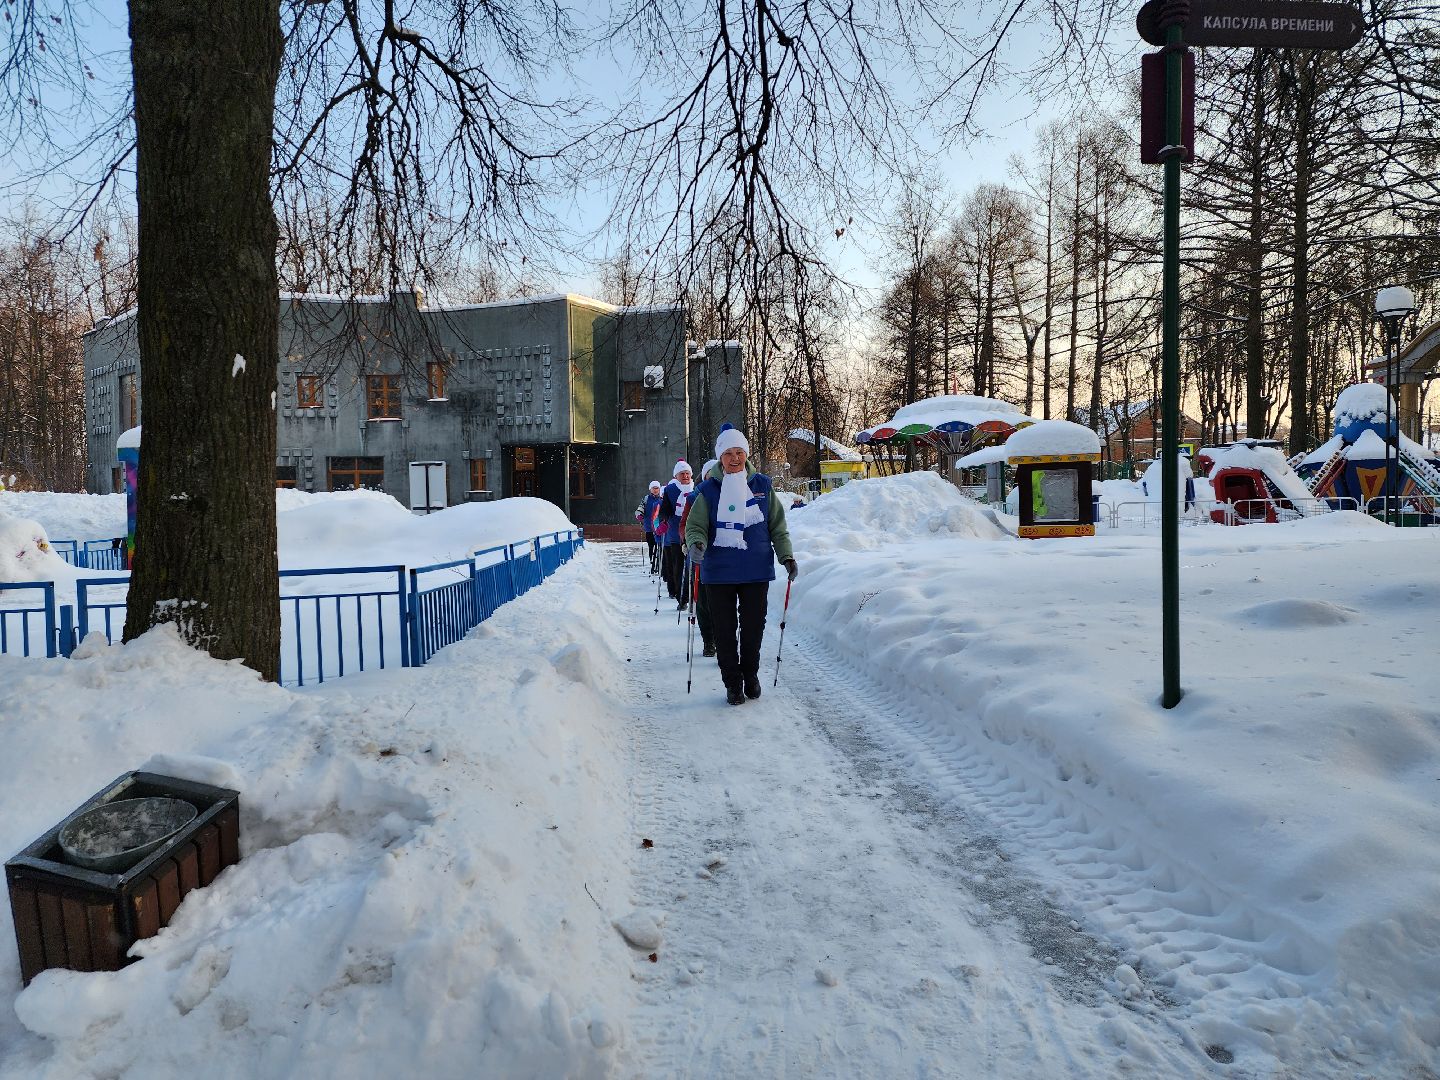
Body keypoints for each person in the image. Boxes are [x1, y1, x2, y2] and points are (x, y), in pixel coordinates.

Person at [685, 425, 797, 706]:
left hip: (755, 570)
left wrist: (787, 556)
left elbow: (777, 526)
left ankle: (750, 674)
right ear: (720, 458)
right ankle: (732, 683)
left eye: (739, 452)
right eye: (728, 453)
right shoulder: (707, 490)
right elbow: (695, 526)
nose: (734, 458)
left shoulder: (762, 487)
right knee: (724, 631)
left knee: (753, 628)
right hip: (718, 572)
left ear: (746, 454)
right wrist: (697, 543)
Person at [656, 460, 696, 605]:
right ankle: (682, 598)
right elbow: (665, 509)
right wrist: (663, 521)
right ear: (676, 476)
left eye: (687, 473)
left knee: (693, 567)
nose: (685, 476)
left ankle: (694, 596)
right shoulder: (670, 490)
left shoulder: (697, 488)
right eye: (682, 474)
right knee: (678, 568)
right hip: (675, 534)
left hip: (694, 532)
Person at [636, 480, 663, 573]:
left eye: (657, 488)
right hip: (649, 527)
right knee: (651, 546)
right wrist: (639, 514)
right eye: (653, 488)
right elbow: (640, 508)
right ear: (650, 489)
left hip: (659, 527)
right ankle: (652, 563)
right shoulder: (646, 499)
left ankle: (659, 564)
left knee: (660, 546)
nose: (655, 490)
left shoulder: (662, 498)